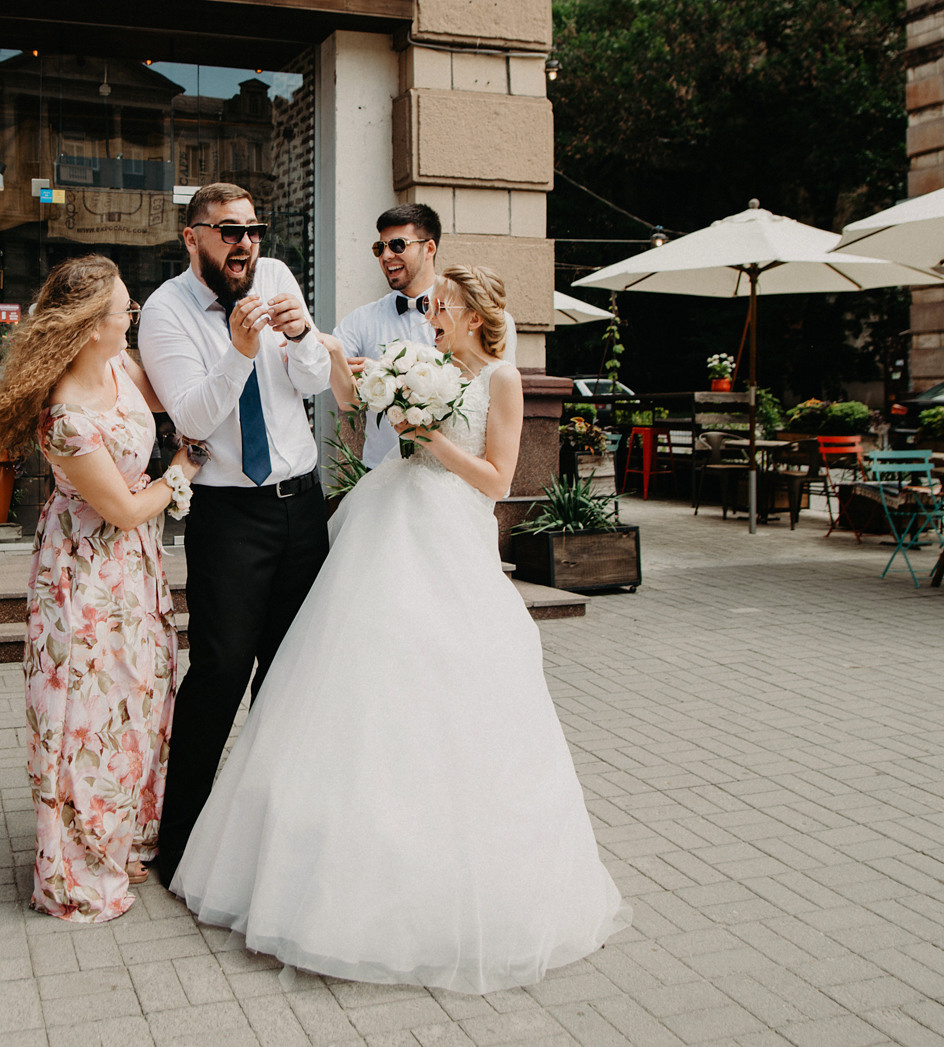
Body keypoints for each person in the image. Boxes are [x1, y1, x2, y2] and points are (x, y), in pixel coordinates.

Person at [171, 265, 630, 992]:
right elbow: (352, 394)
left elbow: (497, 479)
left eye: (443, 307)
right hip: (387, 520)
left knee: (447, 685)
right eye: (434, 306)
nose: (432, 315)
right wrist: (334, 354)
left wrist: (425, 435)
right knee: (355, 678)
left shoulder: (502, 379)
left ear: (478, 315)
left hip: (450, 534)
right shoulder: (423, 360)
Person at [0, 255, 200, 923]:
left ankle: (122, 834)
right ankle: (78, 862)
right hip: (87, 578)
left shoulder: (121, 369)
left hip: (134, 574)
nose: (131, 320)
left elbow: (180, 394)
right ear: (88, 328)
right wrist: (181, 468)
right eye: (124, 313)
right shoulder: (66, 417)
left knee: (137, 698)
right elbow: (128, 510)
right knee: (87, 710)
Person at [136, 182, 332, 886]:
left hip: (303, 507)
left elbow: (311, 382)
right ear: (193, 237)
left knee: (293, 669)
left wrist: (304, 335)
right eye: (228, 230)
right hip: (229, 516)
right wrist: (241, 350)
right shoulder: (165, 312)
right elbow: (192, 413)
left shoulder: (276, 276)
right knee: (221, 673)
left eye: (252, 228)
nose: (245, 242)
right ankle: (181, 840)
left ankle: (278, 828)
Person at [333, 203, 443, 469]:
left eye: (397, 245)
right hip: (381, 474)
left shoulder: (463, 313)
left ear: (428, 248)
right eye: (379, 248)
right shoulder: (361, 320)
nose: (386, 256)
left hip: (445, 474)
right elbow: (346, 397)